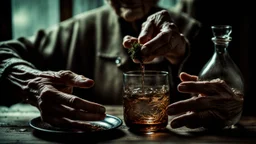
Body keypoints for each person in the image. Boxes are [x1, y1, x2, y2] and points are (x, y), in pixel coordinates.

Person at [0, 0, 243, 130]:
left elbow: (235, 99)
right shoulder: (78, 30)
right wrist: (29, 80)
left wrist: (231, 108)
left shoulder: (192, 30)